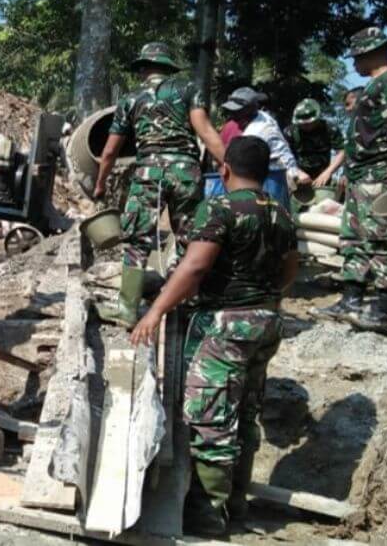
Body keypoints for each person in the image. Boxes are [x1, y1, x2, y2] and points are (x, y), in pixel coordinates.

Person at [129, 137, 298, 537]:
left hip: (226, 325)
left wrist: (156, 310)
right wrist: (264, 299)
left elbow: (195, 267)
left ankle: (208, 516)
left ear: (224, 170)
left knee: (210, 419)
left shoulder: (221, 208)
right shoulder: (282, 214)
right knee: (244, 414)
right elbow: (291, 269)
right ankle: (236, 506)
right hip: (267, 321)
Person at [92, 42, 226, 323]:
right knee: (190, 237)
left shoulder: (130, 100)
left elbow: (109, 151)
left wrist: (100, 184)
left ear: (143, 69)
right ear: (167, 68)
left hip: (148, 174)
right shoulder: (189, 90)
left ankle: (128, 310)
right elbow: (206, 132)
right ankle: (189, 301)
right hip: (186, 172)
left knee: (137, 241)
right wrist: (230, 167)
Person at [317, 27, 387, 335]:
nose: (354, 64)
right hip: (361, 174)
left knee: (383, 241)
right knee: (354, 239)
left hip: (380, 173)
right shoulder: (374, 84)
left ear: (371, 53)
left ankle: (386, 312)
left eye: (357, 57)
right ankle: (351, 301)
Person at [219, 87, 310, 185]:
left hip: (277, 178)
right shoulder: (263, 116)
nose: (232, 116)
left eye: (237, 112)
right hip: (284, 172)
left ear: (249, 110)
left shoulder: (255, 132)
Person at [284, 98, 345, 186]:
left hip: (323, 176)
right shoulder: (290, 132)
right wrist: (297, 171)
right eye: (302, 124)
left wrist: (328, 172)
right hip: (297, 176)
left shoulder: (329, 129)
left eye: (309, 123)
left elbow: (342, 151)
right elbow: (283, 156)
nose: (306, 126)